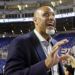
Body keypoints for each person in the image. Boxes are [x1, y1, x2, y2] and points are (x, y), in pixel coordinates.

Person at [4, 6, 69, 75]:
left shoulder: (54, 42)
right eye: (46, 14)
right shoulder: (20, 42)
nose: (51, 18)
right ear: (35, 20)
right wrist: (45, 65)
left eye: (53, 15)